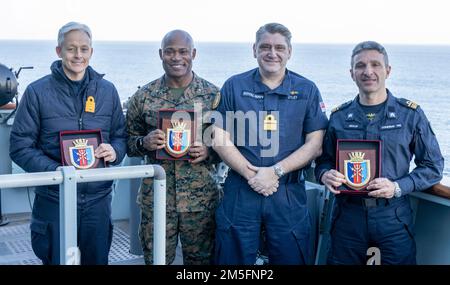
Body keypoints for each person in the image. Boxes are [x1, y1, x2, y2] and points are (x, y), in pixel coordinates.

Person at [315, 41, 444, 265]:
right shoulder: (338, 117)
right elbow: (323, 161)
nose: (368, 71)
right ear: (352, 73)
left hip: (392, 217)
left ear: (388, 70)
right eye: (360, 66)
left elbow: (433, 167)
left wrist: (397, 187)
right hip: (347, 217)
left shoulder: (410, 115)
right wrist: (325, 174)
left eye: (375, 64)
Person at [9, 22, 127, 265]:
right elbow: (20, 146)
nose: (78, 55)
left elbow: (120, 136)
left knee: (96, 260)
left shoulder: (108, 91)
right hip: (54, 199)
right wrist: (55, 172)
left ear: (91, 53)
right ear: (58, 51)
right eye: (71, 49)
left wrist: (114, 151)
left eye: (84, 49)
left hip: (98, 200)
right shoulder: (37, 92)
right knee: (57, 259)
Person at [212, 23, 328, 265]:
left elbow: (315, 144)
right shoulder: (234, 86)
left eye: (279, 47)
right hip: (241, 190)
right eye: (265, 46)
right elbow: (219, 137)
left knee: (292, 257)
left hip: (287, 193)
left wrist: (275, 172)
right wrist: (252, 175)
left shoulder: (306, 90)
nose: (272, 53)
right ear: (254, 49)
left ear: (289, 51)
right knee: (232, 260)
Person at [126, 30, 220, 265]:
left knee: (201, 264)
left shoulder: (213, 96)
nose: (176, 57)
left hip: (200, 201)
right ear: (161, 54)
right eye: (170, 51)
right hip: (157, 198)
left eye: (183, 51)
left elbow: (228, 143)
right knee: (156, 259)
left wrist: (210, 152)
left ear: (193, 54)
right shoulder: (144, 97)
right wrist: (143, 142)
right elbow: (127, 143)